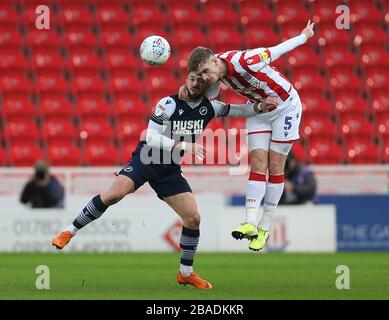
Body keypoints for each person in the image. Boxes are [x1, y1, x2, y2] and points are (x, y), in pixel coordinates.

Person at [51, 71, 278, 290]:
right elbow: (150, 136)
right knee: (114, 195)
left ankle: (186, 274)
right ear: (187, 78)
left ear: (207, 88)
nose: (194, 84)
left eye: (200, 82)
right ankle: (69, 231)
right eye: (192, 79)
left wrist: (259, 107)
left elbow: (238, 111)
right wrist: (181, 146)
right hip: (146, 160)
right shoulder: (167, 104)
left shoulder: (210, 108)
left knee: (193, 218)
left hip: (169, 169)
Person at [180, 20, 315, 251]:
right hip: (260, 109)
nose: (205, 78)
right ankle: (250, 222)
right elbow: (207, 100)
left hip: (286, 107)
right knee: (257, 164)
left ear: (214, 60)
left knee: (275, 167)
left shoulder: (245, 61)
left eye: (205, 72)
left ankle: (264, 227)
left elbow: (277, 50)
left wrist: (304, 36)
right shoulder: (212, 78)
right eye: (199, 75)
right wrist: (187, 91)